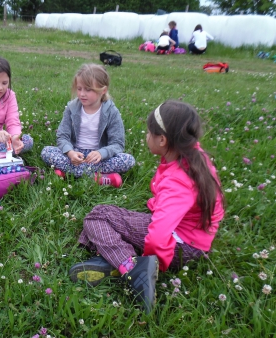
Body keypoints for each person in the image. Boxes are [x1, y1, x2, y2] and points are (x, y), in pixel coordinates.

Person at [68, 100, 225, 313]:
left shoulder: (177, 181)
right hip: (191, 239)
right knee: (100, 228)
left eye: (149, 132)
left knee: (97, 217)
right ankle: (114, 260)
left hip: (181, 245)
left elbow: (159, 235)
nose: (146, 136)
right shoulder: (194, 156)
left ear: (162, 140)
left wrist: (153, 264)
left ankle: (133, 269)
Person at [40, 64, 135, 186]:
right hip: (75, 155)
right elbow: (62, 136)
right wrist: (70, 152)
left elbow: (118, 143)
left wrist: (102, 153)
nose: (82, 94)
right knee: (46, 151)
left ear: (103, 90)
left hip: (98, 158)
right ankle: (98, 177)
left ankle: (68, 173)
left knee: (128, 160)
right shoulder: (72, 108)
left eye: (88, 89)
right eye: (79, 89)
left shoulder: (111, 111)